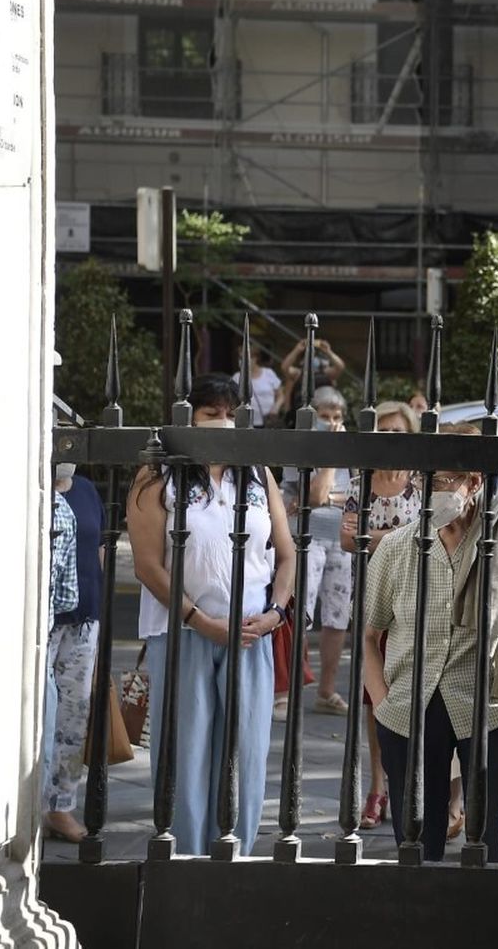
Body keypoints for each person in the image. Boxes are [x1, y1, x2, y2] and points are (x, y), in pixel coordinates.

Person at [363, 423, 498, 863]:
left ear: (474, 482)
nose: (428, 491)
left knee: (494, 843)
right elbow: (368, 635)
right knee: (416, 846)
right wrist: (382, 703)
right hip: (410, 707)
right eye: (424, 480)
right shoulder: (398, 547)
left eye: (440, 482)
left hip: (494, 701)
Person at [127, 374, 294, 856]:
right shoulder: (159, 476)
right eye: (210, 413)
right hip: (183, 633)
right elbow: (147, 564)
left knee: (246, 751)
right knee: (186, 753)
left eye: (229, 413)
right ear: (188, 417)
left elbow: (285, 553)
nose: (222, 422)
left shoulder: (258, 474)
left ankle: (234, 858)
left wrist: (276, 612)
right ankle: (185, 860)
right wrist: (200, 620)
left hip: (250, 633)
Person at [341, 400, 422, 832]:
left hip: (415, 604)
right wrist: (394, 538)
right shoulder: (361, 482)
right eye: (383, 432)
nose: (390, 440)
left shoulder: (423, 483)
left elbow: (426, 539)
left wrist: (374, 538)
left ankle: (414, 783)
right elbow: (346, 540)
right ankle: (377, 786)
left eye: (397, 431)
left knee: (416, 695)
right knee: (376, 699)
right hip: (371, 604)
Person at [289, 386, 355, 717]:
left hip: (342, 538)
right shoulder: (301, 445)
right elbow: (311, 496)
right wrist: (328, 461)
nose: (331, 424)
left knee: (338, 616)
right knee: (300, 612)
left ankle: (326, 691)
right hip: (307, 537)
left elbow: (359, 495)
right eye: (324, 417)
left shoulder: (352, 448)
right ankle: (292, 687)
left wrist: (329, 497)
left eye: (337, 418)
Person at [42, 473, 85, 841]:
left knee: (74, 719)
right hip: (43, 622)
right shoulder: (40, 491)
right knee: (39, 715)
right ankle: (30, 806)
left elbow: (100, 553)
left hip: (84, 621)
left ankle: (61, 807)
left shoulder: (85, 491)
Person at [234, 351, 283, 428]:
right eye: (240, 358)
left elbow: (281, 395)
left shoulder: (268, 373)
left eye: (243, 358)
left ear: (255, 358)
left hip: (268, 421)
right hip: (247, 422)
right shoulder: (237, 377)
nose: (241, 361)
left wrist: (276, 408)